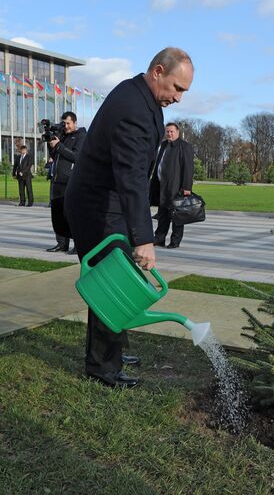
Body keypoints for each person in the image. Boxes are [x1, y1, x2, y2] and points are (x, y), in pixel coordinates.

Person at [65, 47, 194, 389]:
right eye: (177, 88)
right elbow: (132, 177)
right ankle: (103, 368)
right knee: (111, 282)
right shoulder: (134, 109)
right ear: (157, 72)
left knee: (117, 275)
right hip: (96, 205)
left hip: (108, 202)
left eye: (183, 91)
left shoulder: (140, 97)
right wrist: (144, 238)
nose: (178, 98)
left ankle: (115, 351)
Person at [46, 112, 86, 254]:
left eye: (68, 123)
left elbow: (76, 157)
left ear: (75, 122)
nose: (66, 126)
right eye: (64, 123)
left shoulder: (81, 136)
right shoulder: (62, 135)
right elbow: (54, 155)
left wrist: (59, 146)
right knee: (57, 215)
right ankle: (61, 244)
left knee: (72, 215)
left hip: (71, 181)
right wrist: (52, 144)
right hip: (56, 180)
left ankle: (79, 245)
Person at [150, 122, 194, 248]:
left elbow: (188, 168)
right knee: (162, 214)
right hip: (162, 186)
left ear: (177, 132)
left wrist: (187, 187)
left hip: (176, 187)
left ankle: (175, 241)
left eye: (171, 131)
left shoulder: (184, 146)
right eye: (167, 131)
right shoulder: (163, 145)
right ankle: (159, 239)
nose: (169, 134)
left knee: (177, 215)